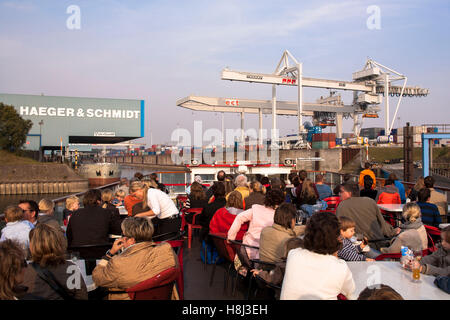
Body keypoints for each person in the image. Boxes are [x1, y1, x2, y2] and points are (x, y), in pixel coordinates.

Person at [92, 217, 179, 300]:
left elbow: (97, 278)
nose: (121, 238)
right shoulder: (167, 250)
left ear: (131, 240)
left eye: (122, 234)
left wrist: (109, 254)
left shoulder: (119, 263)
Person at [280, 212, 356, 300]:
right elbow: (350, 291)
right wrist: (335, 256)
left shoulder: (293, 254)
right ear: (336, 238)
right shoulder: (340, 267)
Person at [22, 223, 88, 300]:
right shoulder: (71, 269)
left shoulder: (25, 272)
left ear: (32, 246)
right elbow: (81, 296)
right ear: (57, 243)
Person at [336, 182, 399, 251]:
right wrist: (393, 231)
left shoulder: (342, 205)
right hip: (377, 243)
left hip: (357, 247)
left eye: (341, 192)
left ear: (349, 193)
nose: (339, 194)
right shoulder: (370, 201)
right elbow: (382, 224)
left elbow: (338, 229)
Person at [227, 189, 285, 260]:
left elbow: (239, 217)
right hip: (265, 254)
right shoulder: (279, 215)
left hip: (247, 249)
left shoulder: (256, 209)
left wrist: (231, 237)